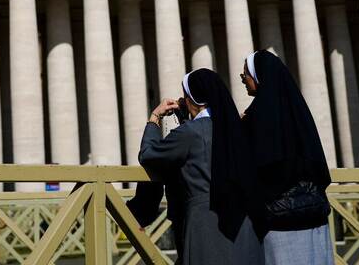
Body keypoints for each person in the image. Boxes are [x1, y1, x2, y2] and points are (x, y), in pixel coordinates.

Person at [139, 68, 265, 264]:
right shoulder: (236, 128)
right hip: (244, 223)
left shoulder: (191, 132)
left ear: (192, 99)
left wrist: (155, 117)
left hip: (206, 224)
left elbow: (149, 155)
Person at [241, 50, 334, 265]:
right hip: (314, 214)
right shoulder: (296, 109)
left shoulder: (258, 115)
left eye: (245, 74)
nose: (243, 80)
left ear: (259, 75)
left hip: (280, 220)